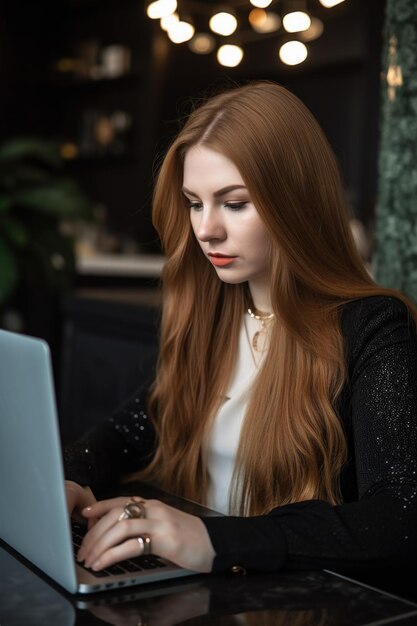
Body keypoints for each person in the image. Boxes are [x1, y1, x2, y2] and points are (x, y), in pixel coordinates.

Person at [64, 80, 417, 576]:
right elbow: (126, 432)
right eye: (194, 202)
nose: (206, 229)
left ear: (296, 204)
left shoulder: (372, 326)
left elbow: (401, 515)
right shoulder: (209, 315)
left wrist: (211, 539)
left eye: (234, 203)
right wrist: (69, 478)